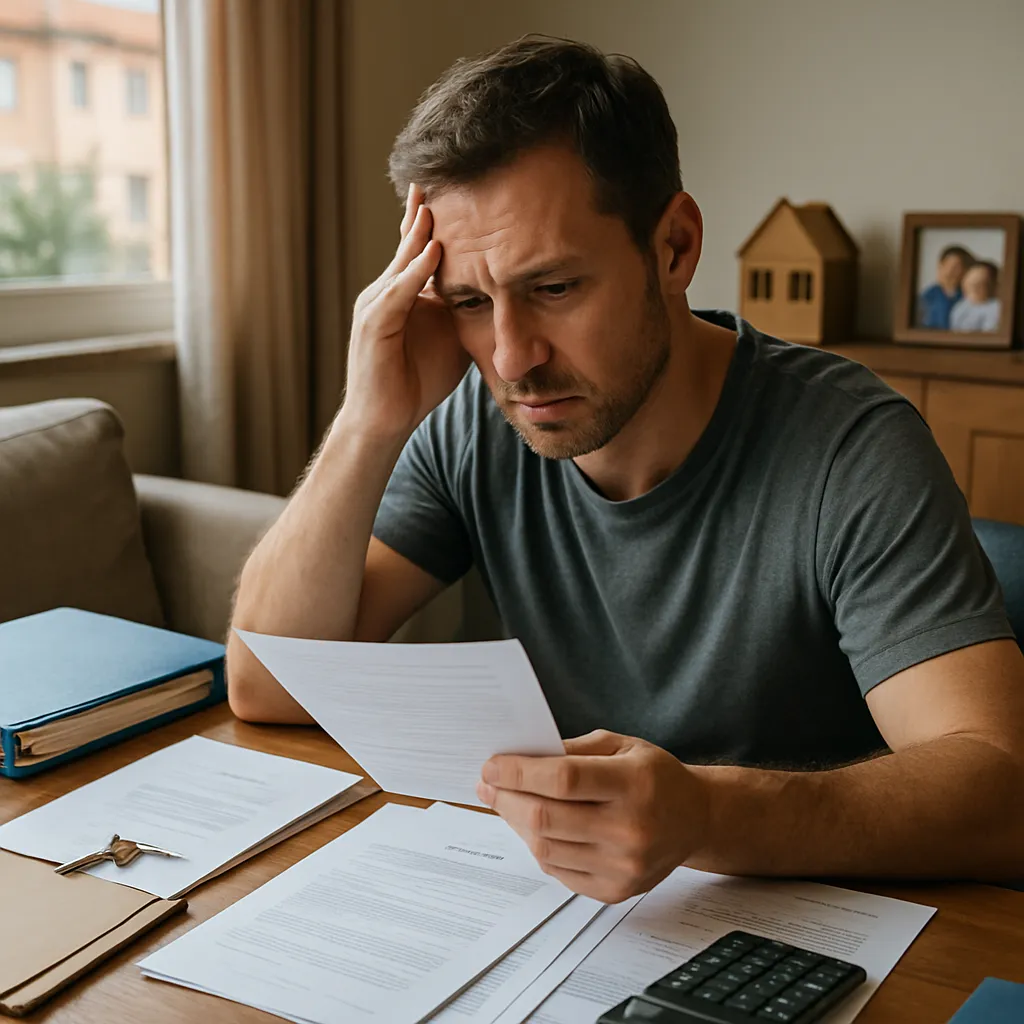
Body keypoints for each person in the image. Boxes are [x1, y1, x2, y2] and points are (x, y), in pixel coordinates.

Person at [227, 37, 1024, 904]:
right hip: (545, 915)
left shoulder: (852, 446)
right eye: (467, 301)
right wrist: (365, 422)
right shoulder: (475, 419)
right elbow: (267, 685)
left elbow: (1002, 792)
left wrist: (706, 815)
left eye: (555, 288)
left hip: (800, 928)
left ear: (675, 248)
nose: (512, 356)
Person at [917, 245, 973, 329]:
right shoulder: (927, 296)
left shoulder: (969, 297)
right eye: (946, 265)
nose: (949, 271)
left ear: (965, 270)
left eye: (956, 267)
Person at [951, 260, 1002, 332]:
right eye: (969, 283)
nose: (973, 287)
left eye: (980, 283)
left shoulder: (996, 308)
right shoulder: (960, 307)